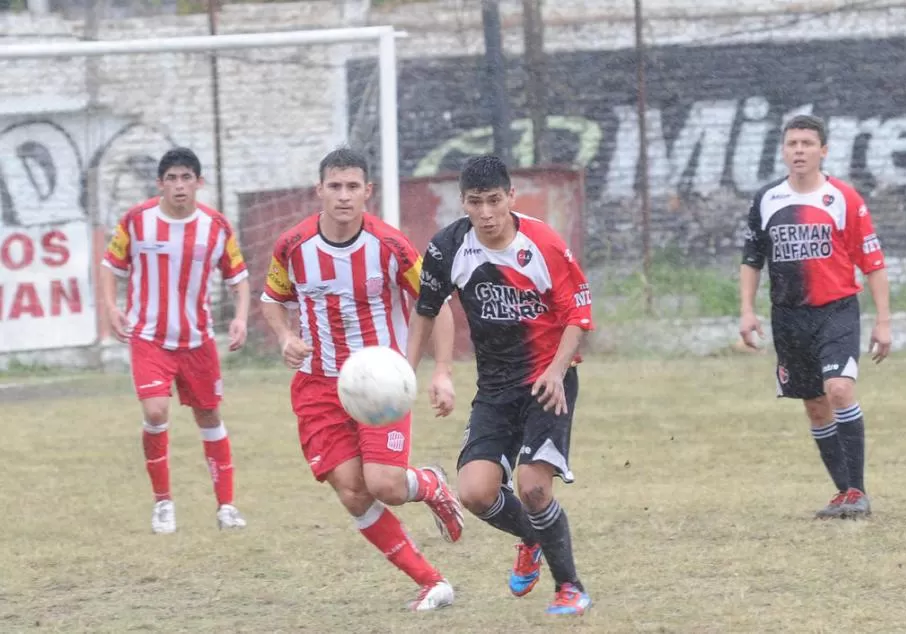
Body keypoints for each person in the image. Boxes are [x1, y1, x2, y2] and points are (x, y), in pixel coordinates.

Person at [259, 147, 463, 612]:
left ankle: (428, 485)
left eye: (353, 187)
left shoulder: (390, 245)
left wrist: (442, 372)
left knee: (386, 484)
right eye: (335, 186)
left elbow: (437, 305)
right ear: (320, 190)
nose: (344, 196)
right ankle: (432, 582)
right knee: (352, 489)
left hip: (382, 383)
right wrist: (285, 335)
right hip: (317, 386)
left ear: (368, 192)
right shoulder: (292, 246)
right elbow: (273, 297)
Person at [406, 155, 594, 616]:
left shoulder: (543, 245)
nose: (486, 213)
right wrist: (408, 373)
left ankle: (569, 587)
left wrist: (555, 371)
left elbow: (579, 317)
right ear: (463, 203)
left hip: (547, 381)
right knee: (474, 492)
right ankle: (532, 536)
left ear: (512, 197)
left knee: (533, 488)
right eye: (476, 203)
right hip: (493, 387)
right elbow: (428, 309)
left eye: (494, 201)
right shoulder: (448, 247)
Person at [738, 114, 892, 519]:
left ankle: (858, 490)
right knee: (815, 406)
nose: (799, 150)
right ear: (784, 151)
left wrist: (884, 321)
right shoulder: (767, 200)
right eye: (792, 144)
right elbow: (752, 259)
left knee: (839, 389)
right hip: (789, 317)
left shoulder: (844, 198)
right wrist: (747, 311)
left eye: (808, 143)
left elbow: (873, 263)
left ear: (823, 151)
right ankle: (844, 493)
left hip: (837, 310)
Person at [100, 147, 250, 534]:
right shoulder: (136, 221)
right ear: (160, 183)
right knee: (154, 413)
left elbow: (239, 278)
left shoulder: (216, 227)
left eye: (187, 178)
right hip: (148, 338)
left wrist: (240, 317)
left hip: (197, 341)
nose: (179, 185)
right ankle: (163, 503)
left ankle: (226, 507)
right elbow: (110, 267)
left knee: (210, 416)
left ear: (199, 183)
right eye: (172, 178)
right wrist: (111, 308)